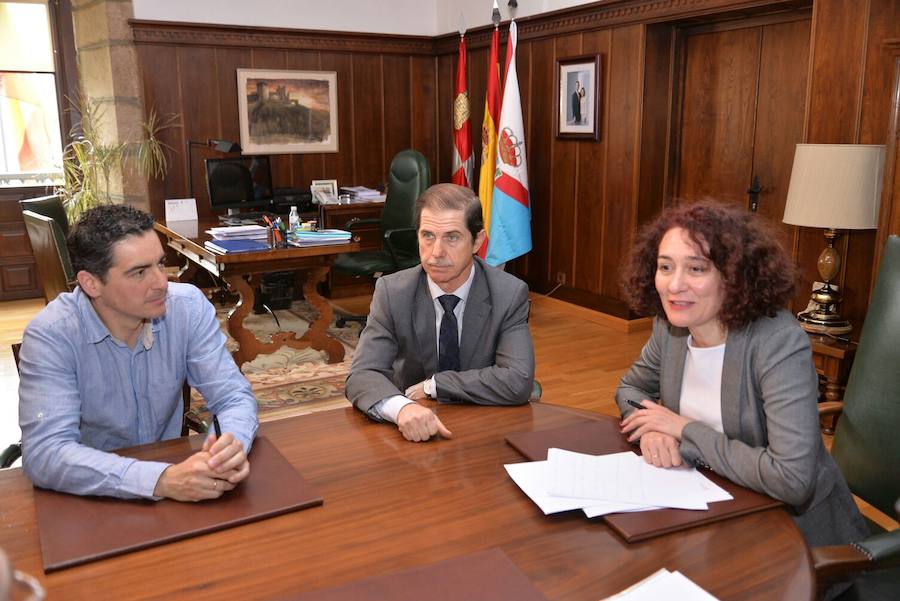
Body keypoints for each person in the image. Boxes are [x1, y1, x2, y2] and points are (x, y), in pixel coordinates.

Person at [616, 201, 867, 549]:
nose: (674, 285)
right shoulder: (670, 327)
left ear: (733, 276)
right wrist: (649, 430)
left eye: (696, 269)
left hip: (792, 538)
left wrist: (685, 430)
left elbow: (792, 480)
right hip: (705, 511)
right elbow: (631, 388)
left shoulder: (776, 341)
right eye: (665, 266)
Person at [18, 204, 258, 502]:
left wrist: (228, 446)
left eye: (160, 264)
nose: (161, 283)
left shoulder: (187, 307)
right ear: (91, 283)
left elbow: (233, 397)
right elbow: (45, 453)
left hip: (181, 482)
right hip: (92, 496)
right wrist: (159, 480)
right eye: (139, 272)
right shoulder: (52, 335)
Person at [345, 183, 535, 442]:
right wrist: (402, 408)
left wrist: (434, 385)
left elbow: (518, 380)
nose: (436, 253)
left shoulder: (508, 294)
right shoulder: (393, 291)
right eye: (428, 236)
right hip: (413, 428)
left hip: (485, 424)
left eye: (452, 237)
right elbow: (363, 374)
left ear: (477, 240)